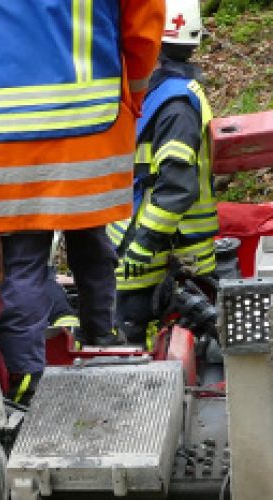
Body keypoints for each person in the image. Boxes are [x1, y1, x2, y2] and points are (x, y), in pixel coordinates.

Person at [0, 0, 165, 403]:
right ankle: (102, 336)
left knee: (23, 262)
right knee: (91, 239)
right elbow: (143, 29)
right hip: (88, 123)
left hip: (0, 137)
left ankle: (26, 377)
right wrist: (134, 99)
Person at [108, 0, 217, 344]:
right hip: (149, 256)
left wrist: (145, 244)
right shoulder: (165, 95)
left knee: (133, 352)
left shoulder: (175, 106)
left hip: (158, 259)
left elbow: (176, 187)